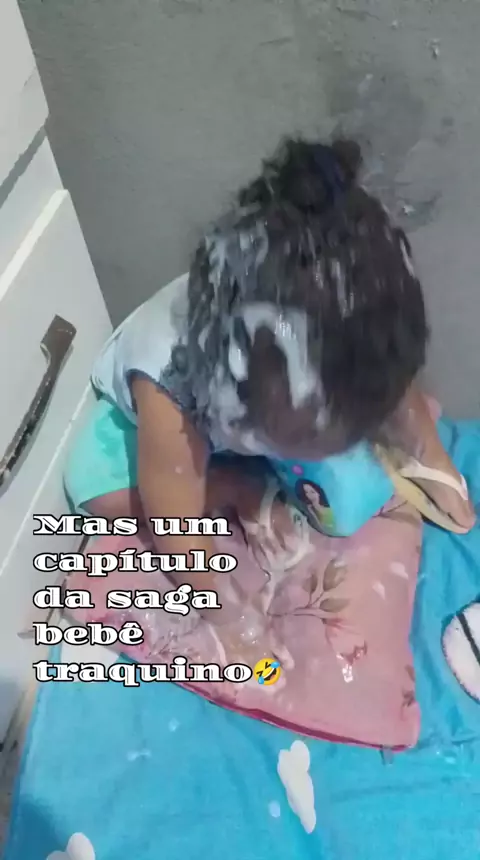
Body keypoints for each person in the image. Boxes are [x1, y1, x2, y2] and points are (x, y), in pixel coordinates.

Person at [67, 137, 475, 667]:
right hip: (164, 431)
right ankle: (229, 483)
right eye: (309, 435)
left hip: (271, 394)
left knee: (358, 457)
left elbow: (394, 382)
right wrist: (226, 611)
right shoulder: (169, 389)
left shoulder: (349, 335)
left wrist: (427, 451)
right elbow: (175, 529)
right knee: (97, 489)